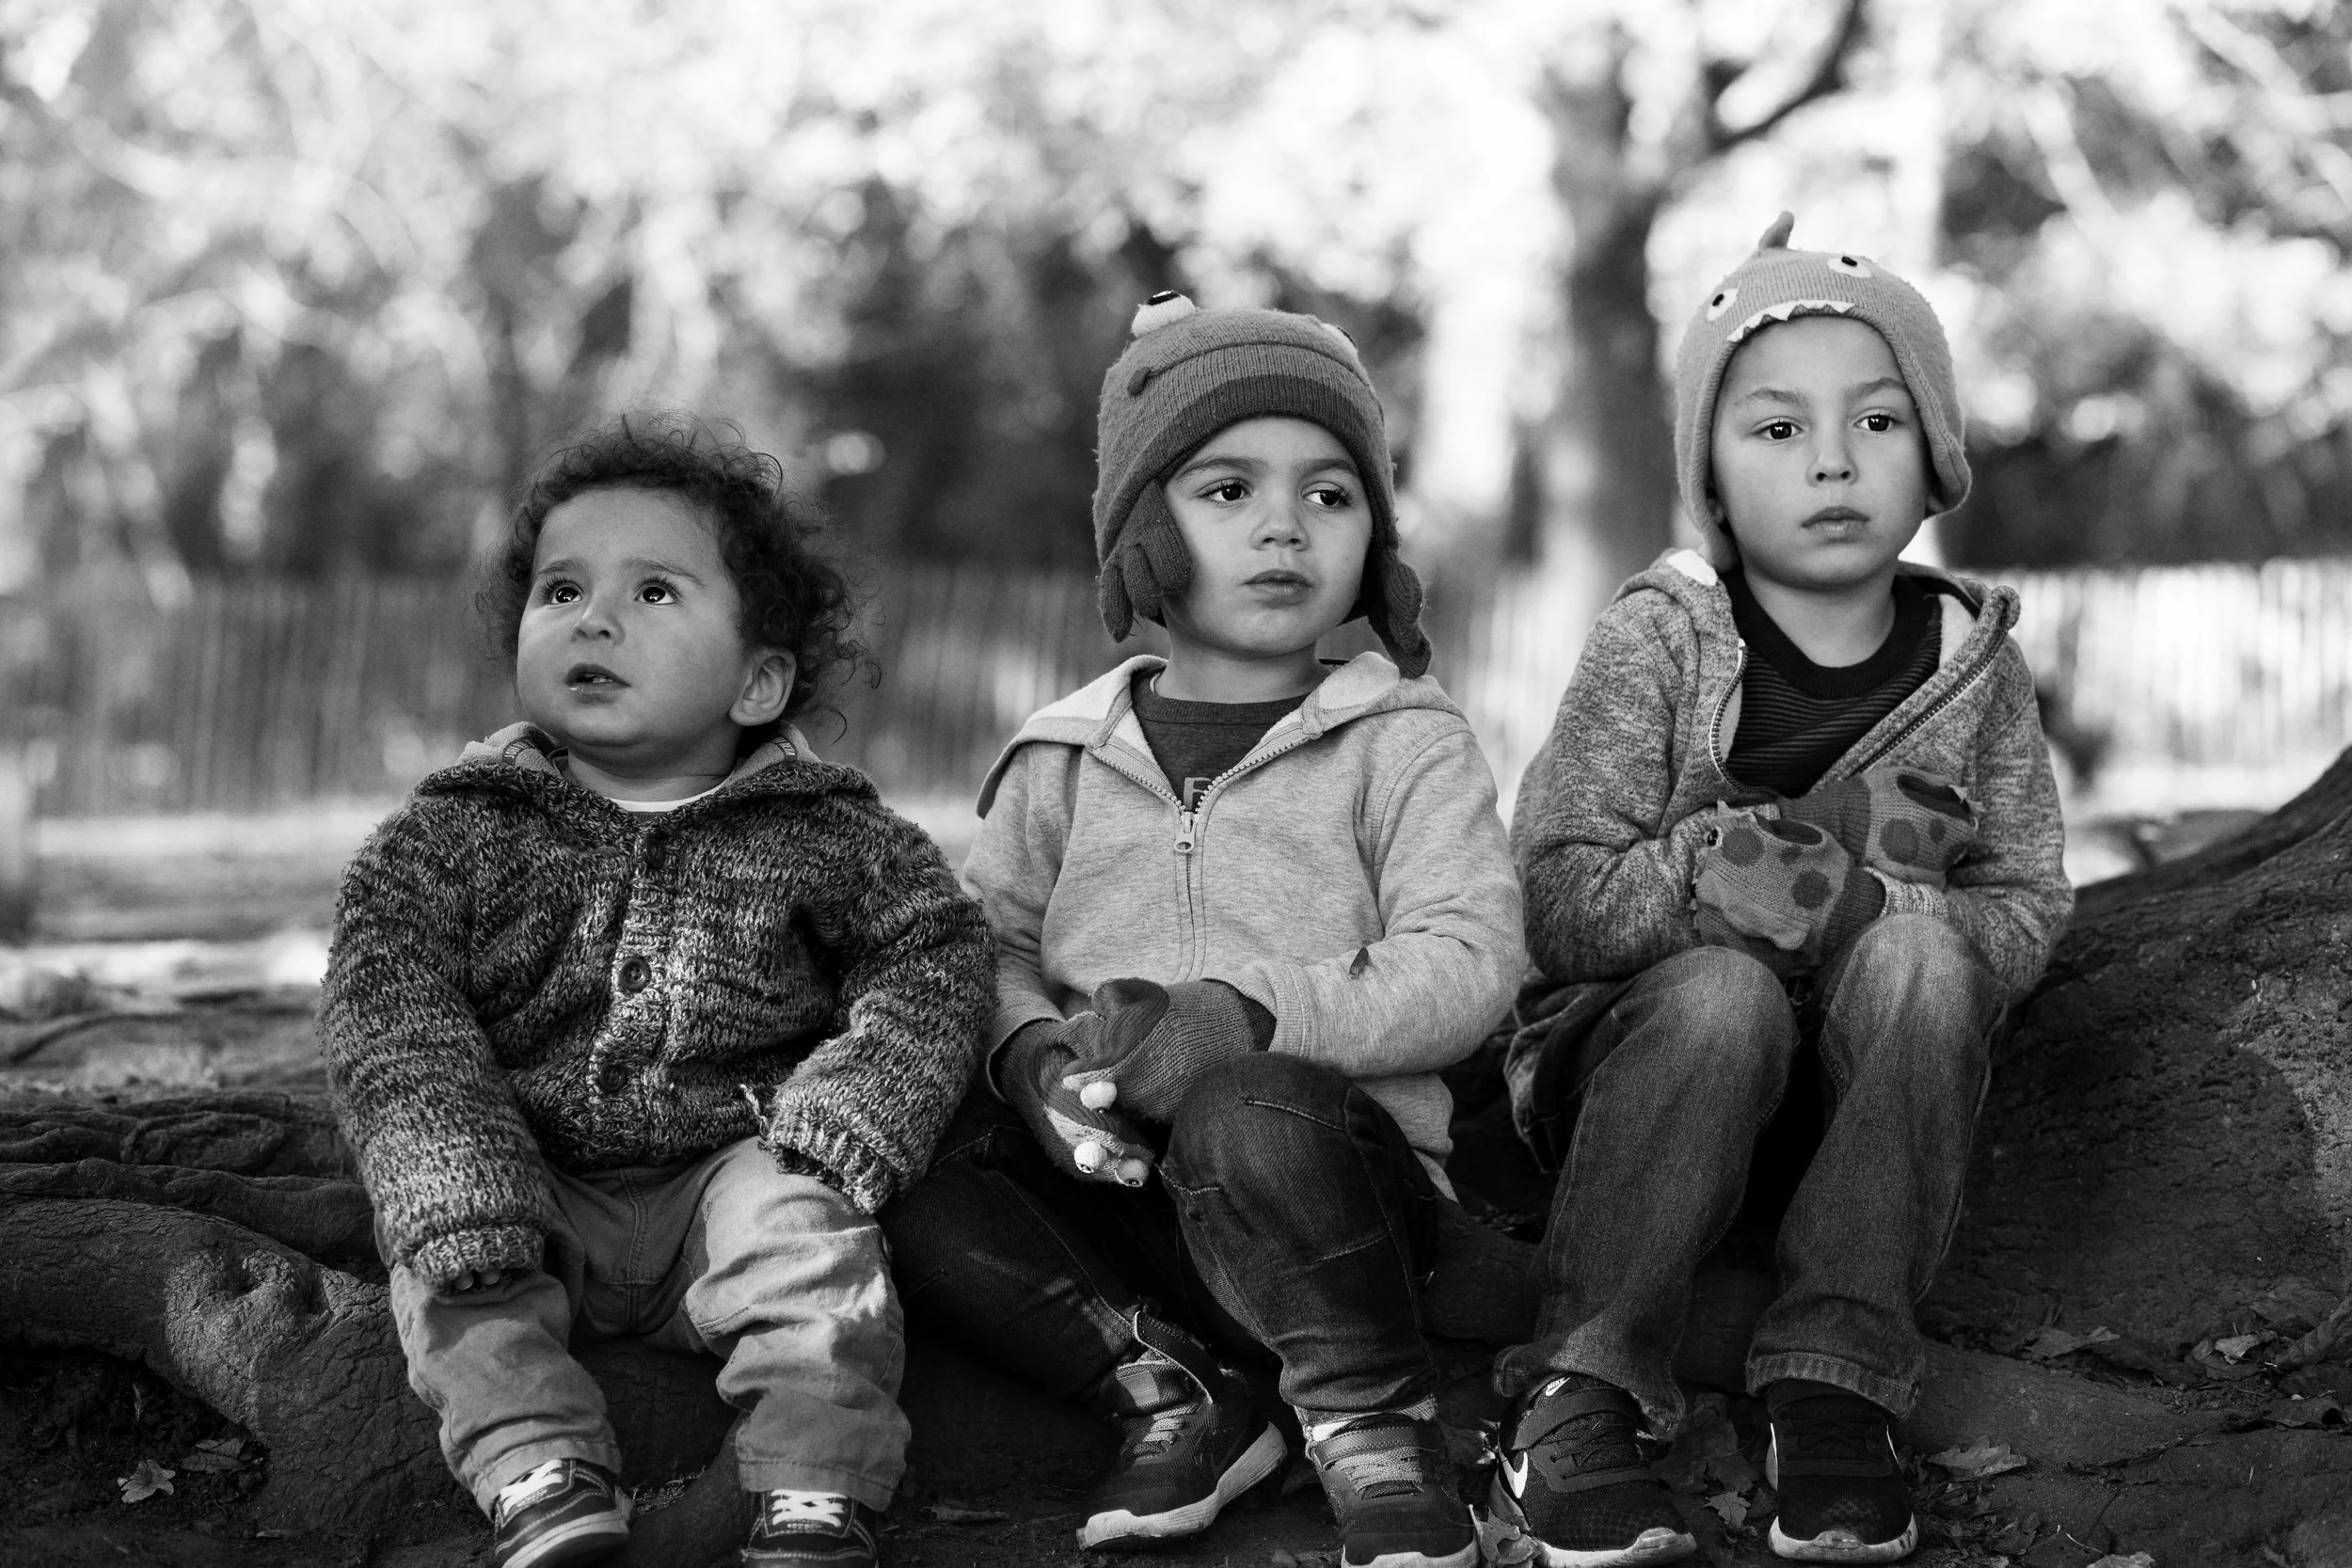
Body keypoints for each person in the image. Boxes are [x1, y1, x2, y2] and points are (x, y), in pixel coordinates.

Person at [880, 294, 1525, 1568]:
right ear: (1141, 531)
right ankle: (1168, 1382)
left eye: (1332, 495)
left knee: (1247, 1101)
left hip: (1333, 1188)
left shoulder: (1404, 740)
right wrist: (1033, 1063)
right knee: (910, 1145)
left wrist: (1242, 1014)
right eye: (1227, 490)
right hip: (1117, 1194)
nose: (1286, 524)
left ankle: (1376, 1421)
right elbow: (986, 947)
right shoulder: (1062, 755)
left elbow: (1468, 961)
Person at [1487, 216, 2073, 1566]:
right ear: (1709, 472)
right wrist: (1723, 879)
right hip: (1648, 1053)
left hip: (1870, 1081)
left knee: (1927, 964)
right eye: (1774, 429)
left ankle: (1833, 1387)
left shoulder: (1970, 665)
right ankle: (1579, 1386)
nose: (1829, 459)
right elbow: (1558, 892)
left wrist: (1881, 914)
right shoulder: (1657, 638)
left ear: (1934, 453)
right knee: (1724, 991)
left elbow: (2029, 902)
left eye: (1876, 419)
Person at [318, 417, 993, 1568]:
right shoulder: (452, 833)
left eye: (656, 593)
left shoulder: (826, 829)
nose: (594, 617)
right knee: (449, 1281)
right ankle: (538, 1464)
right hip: (529, 1170)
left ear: (758, 677)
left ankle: (812, 1481)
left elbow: (931, 953)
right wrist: (453, 1166)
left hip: (733, 1167)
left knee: (812, 1249)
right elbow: (390, 1001)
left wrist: (859, 1102)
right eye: (561, 589)